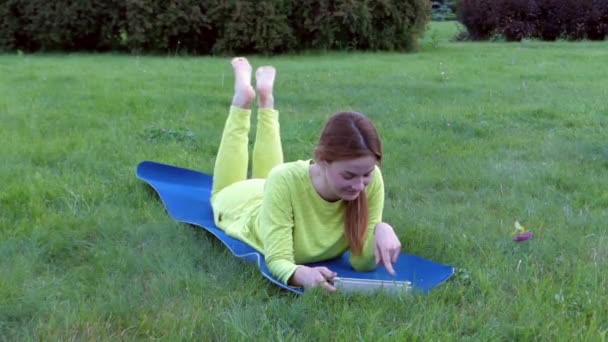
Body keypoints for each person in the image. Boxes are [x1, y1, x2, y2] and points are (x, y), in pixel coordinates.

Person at [211, 57, 402, 292]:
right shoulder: (285, 179)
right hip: (241, 203)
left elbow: (362, 262)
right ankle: (243, 102)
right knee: (226, 190)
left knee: (273, 177)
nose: (360, 185)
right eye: (349, 175)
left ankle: (266, 99)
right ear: (322, 160)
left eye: (366, 175)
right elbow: (278, 260)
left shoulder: (371, 182)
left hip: (272, 191)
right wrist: (301, 274)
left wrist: (381, 228)